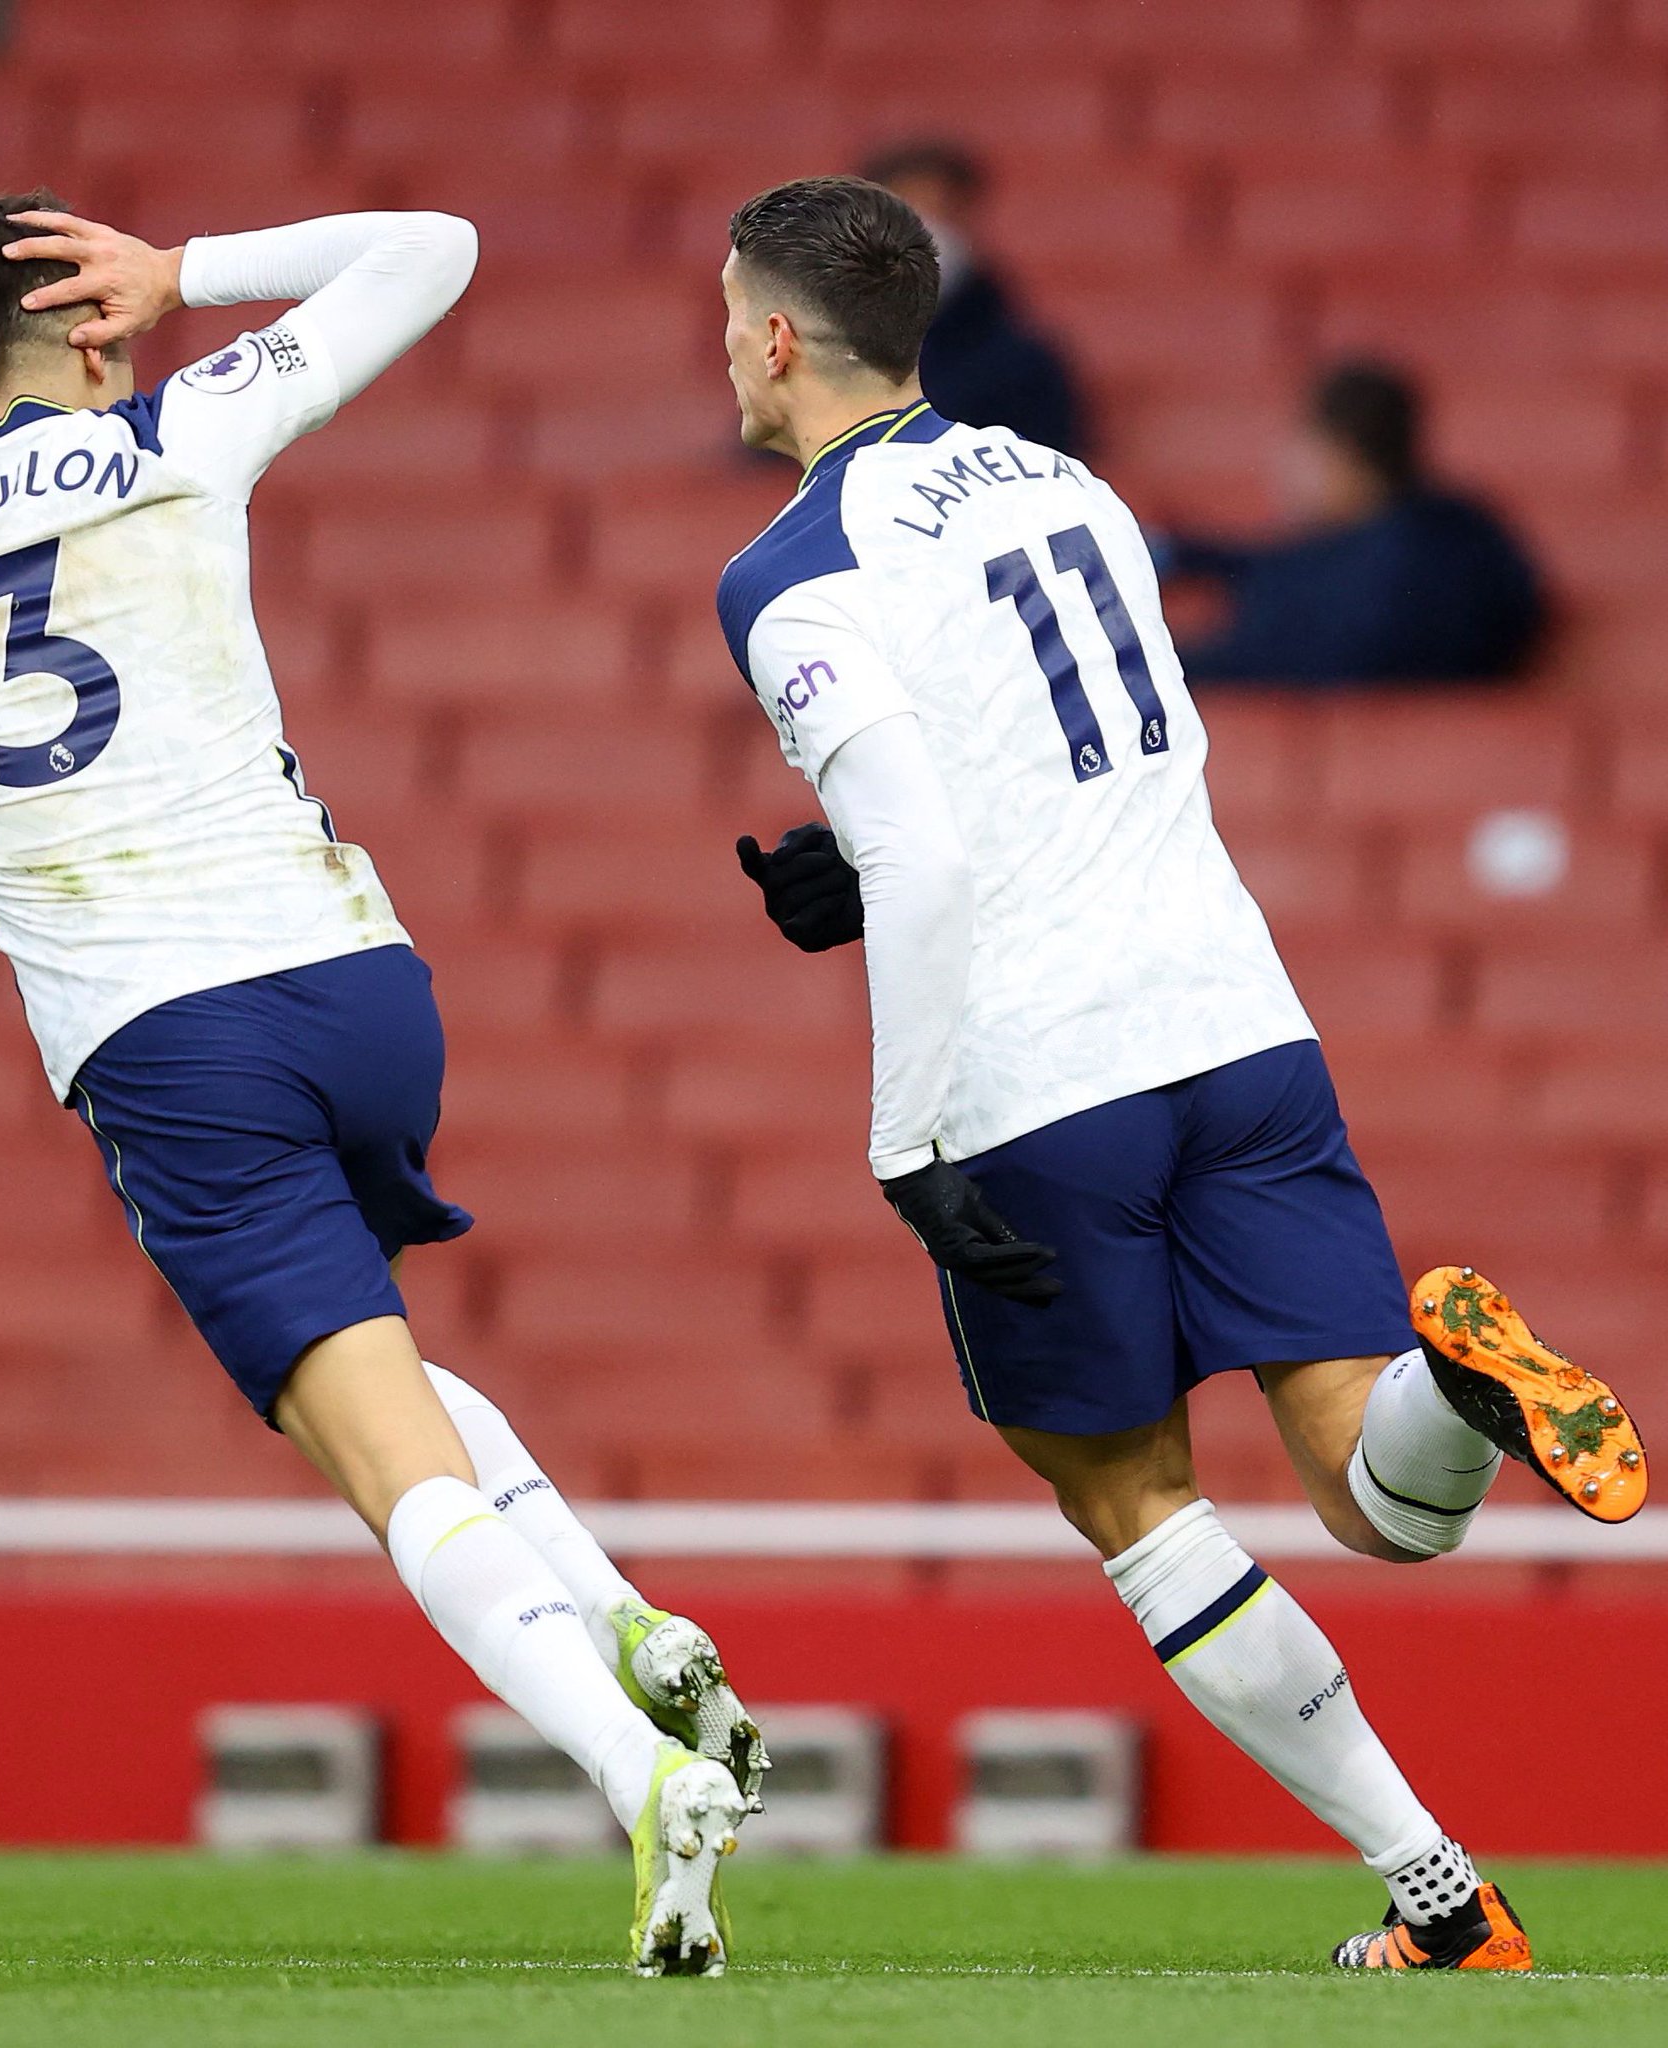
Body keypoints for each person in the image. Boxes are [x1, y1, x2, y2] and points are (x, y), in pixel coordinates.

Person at [0, 192, 765, 1976]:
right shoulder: (180, 421)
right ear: (88, 334)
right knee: (376, 1360)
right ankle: (624, 1619)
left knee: (368, 1448)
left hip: (167, 1029)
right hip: (358, 979)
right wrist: (192, 276)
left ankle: (634, 1769)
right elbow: (440, 247)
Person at [716, 175, 1645, 1972]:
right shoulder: (1072, 485)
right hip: (1234, 1020)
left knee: (1133, 1501)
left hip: (1037, 1079)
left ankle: (1444, 1895)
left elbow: (918, 844)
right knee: (1371, 1495)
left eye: (721, 318)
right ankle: (1454, 1391)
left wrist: (900, 1136)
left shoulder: (787, 566)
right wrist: (865, 860)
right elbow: (1062, 753)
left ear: (771, 336)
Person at [1165, 361, 1544, 684]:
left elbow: (1285, 651)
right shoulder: (1454, 527)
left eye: (1304, 450)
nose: (1285, 469)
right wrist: (1181, 556)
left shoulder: (1408, 561)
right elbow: (1271, 562)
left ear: (1343, 455)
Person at [862, 139, 1085, 454]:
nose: (925, 234)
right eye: (905, 216)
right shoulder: (812, 356)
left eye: (941, 213)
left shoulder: (1025, 366)